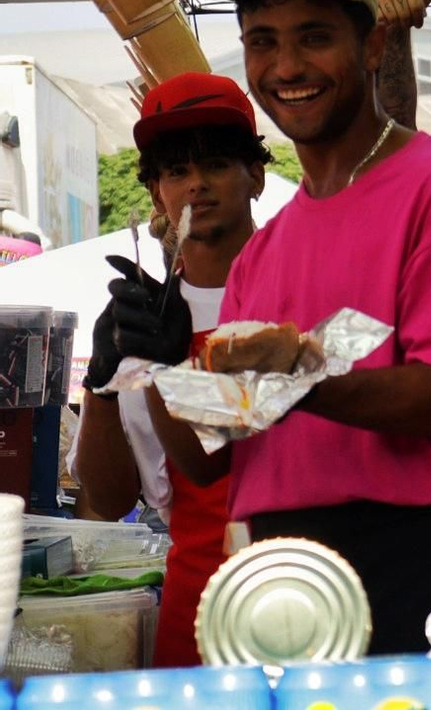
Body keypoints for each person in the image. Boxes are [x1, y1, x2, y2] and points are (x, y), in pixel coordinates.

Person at [147, 0, 431, 652]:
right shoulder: (264, 249)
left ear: (374, 44)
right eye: (263, 42)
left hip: (411, 554)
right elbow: (208, 457)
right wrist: (158, 367)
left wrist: (295, 377)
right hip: (274, 567)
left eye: (314, 37)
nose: (286, 67)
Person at [70, 73, 265, 667]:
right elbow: (107, 498)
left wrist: (167, 366)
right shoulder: (140, 317)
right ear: (157, 194)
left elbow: (215, 459)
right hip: (196, 612)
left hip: (304, 593)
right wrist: (101, 382)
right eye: (176, 171)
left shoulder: (297, 287)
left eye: (216, 164)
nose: (197, 185)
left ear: (255, 176)